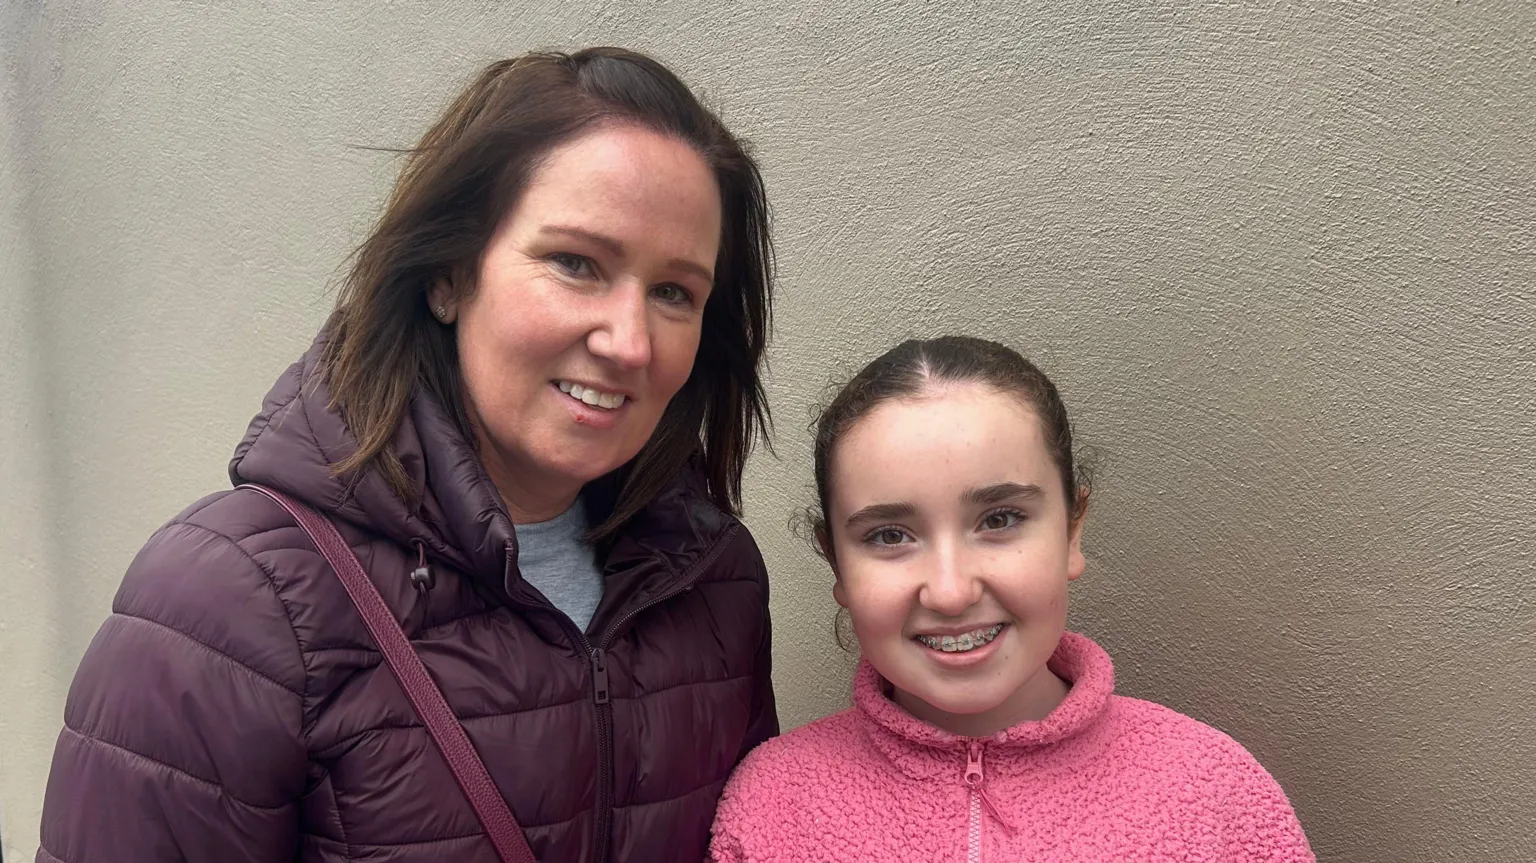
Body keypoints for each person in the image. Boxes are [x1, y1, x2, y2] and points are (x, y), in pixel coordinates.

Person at [37, 47, 777, 863]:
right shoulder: (225, 603)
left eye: (675, 291)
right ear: (449, 276)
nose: (630, 342)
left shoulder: (713, 580)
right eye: (576, 263)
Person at [710, 336, 1313, 862]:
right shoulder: (770, 807)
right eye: (890, 535)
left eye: (999, 519)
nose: (950, 591)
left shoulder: (1215, 796)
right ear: (836, 561)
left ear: (1072, 529)